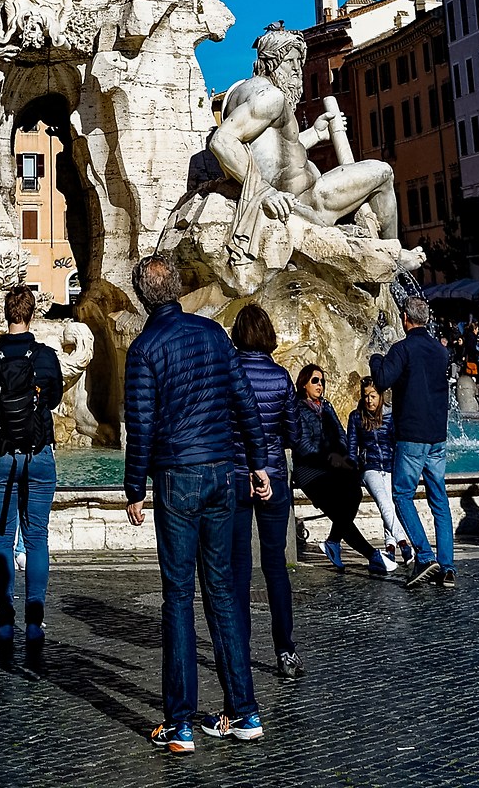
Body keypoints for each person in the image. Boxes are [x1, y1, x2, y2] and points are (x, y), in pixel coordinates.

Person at [123, 252, 268, 755]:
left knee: (179, 597)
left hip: (177, 478)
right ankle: (243, 711)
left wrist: (134, 488)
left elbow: (140, 425)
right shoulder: (212, 335)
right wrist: (260, 463)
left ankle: (180, 723)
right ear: (180, 289)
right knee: (224, 592)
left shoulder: (144, 348)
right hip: (223, 474)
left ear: (144, 296)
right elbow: (244, 400)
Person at [0, 281, 64, 648]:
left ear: (6, 313)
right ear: (32, 312)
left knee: (2, 539)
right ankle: (36, 622)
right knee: (37, 538)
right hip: (38, 455)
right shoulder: (44, 357)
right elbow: (55, 399)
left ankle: (5, 620)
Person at [228, 308, 302, 677]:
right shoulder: (280, 377)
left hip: (237, 477)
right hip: (272, 474)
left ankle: (238, 648)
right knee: (275, 567)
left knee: (237, 569)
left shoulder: (228, 375)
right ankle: (285, 649)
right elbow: (293, 433)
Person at [370, 298, 456, 586]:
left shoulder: (402, 349)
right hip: (437, 435)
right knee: (439, 499)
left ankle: (424, 555)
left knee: (402, 494)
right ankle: (448, 566)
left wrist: (375, 359)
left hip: (412, 435)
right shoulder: (440, 351)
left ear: (405, 318)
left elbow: (382, 380)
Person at [292, 361, 394, 577]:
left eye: (322, 381)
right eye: (315, 381)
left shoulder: (326, 406)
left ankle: (333, 541)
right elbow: (303, 445)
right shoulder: (297, 409)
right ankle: (373, 556)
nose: (320, 385)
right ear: (304, 384)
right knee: (339, 512)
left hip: (330, 466)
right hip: (309, 471)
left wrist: (343, 457)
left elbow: (340, 433)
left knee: (354, 492)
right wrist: (328, 458)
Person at [351, 380, 409, 562]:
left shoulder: (391, 416)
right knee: (384, 503)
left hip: (390, 466)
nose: (369, 400)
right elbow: (351, 447)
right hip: (370, 468)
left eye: (373, 396)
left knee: (390, 506)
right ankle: (404, 543)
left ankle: (390, 548)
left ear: (381, 396)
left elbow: (397, 443)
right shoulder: (356, 417)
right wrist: (354, 470)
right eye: (366, 396)